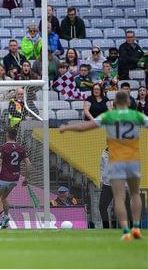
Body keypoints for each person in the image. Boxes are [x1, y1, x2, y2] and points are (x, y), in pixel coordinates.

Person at [59, 91, 147, 241]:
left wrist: (67, 128)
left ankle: (126, 231)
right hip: (133, 160)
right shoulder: (137, 116)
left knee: (119, 198)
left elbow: (84, 127)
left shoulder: (109, 116)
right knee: (134, 195)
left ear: (113, 104)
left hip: (117, 161)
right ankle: (137, 228)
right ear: (128, 102)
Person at [0, 128, 31, 229]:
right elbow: (28, 163)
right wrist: (26, 178)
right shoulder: (21, 148)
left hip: (4, 178)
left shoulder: (3, 147)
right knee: (4, 198)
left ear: (7, 135)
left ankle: (4, 217)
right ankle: (5, 222)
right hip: (15, 178)